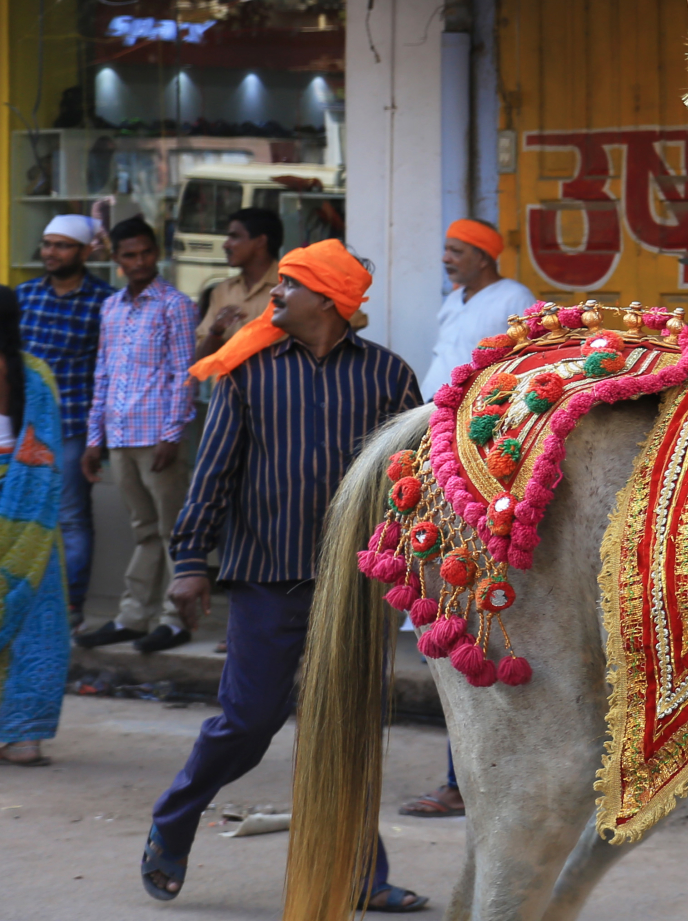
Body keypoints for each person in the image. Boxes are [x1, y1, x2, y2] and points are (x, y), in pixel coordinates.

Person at [148, 241, 427, 909]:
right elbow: (213, 472)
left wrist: (416, 564)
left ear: (327, 300)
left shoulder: (389, 376)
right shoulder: (249, 372)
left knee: (346, 728)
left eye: (288, 286)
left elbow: (414, 479)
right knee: (247, 721)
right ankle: (174, 820)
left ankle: (364, 874)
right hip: (268, 575)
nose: (272, 297)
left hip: (355, 584)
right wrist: (190, 563)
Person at [76, 218, 198, 654]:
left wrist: (172, 434)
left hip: (158, 436)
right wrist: (95, 439)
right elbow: (103, 374)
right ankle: (133, 616)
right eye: (130, 254)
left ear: (157, 253)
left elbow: (185, 375)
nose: (141, 261)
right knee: (144, 529)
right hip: (119, 435)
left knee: (172, 531)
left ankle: (175, 620)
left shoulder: (175, 305)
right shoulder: (110, 307)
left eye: (147, 252)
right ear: (117, 260)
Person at [18, 213, 114, 628]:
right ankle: (24, 599)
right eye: (47, 244)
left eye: (62, 245)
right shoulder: (25, 296)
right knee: (21, 513)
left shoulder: (104, 301)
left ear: (85, 251)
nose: (51, 253)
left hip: (74, 426)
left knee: (72, 518)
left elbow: (107, 370)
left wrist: (100, 437)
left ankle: (70, 605)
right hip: (25, 427)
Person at [0, 288, 71, 766]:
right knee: (37, 623)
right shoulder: (37, 374)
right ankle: (24, 736)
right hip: (32, 511)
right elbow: (47, 448)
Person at [420, 219, 537, 398]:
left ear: (482, 258)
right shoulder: (453, 298)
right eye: (446, 250)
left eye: (456, 252)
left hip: (477, 408)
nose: (445, 258)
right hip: (431, 403)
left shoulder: (515, 297)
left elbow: (530, 357)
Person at [191, 208, 284, 363]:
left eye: (234, 237)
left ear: (260, 241)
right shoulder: (222, 292)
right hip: (229, 386)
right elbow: (202, 359)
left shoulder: (289, 288)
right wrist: (216, 331)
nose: (226, 245)